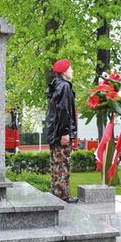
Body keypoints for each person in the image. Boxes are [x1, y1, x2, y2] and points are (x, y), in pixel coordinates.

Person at [46, 59, 78, 203]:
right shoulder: (64, 86)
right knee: (63, 164)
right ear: (64, 72)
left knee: (56, 164)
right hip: (61, 133)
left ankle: (55, 194)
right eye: (70, 69)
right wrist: (65, 133)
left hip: (54, 132)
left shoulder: (55, 86)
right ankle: (63, 196)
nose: (72, 71)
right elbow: (64, 111)